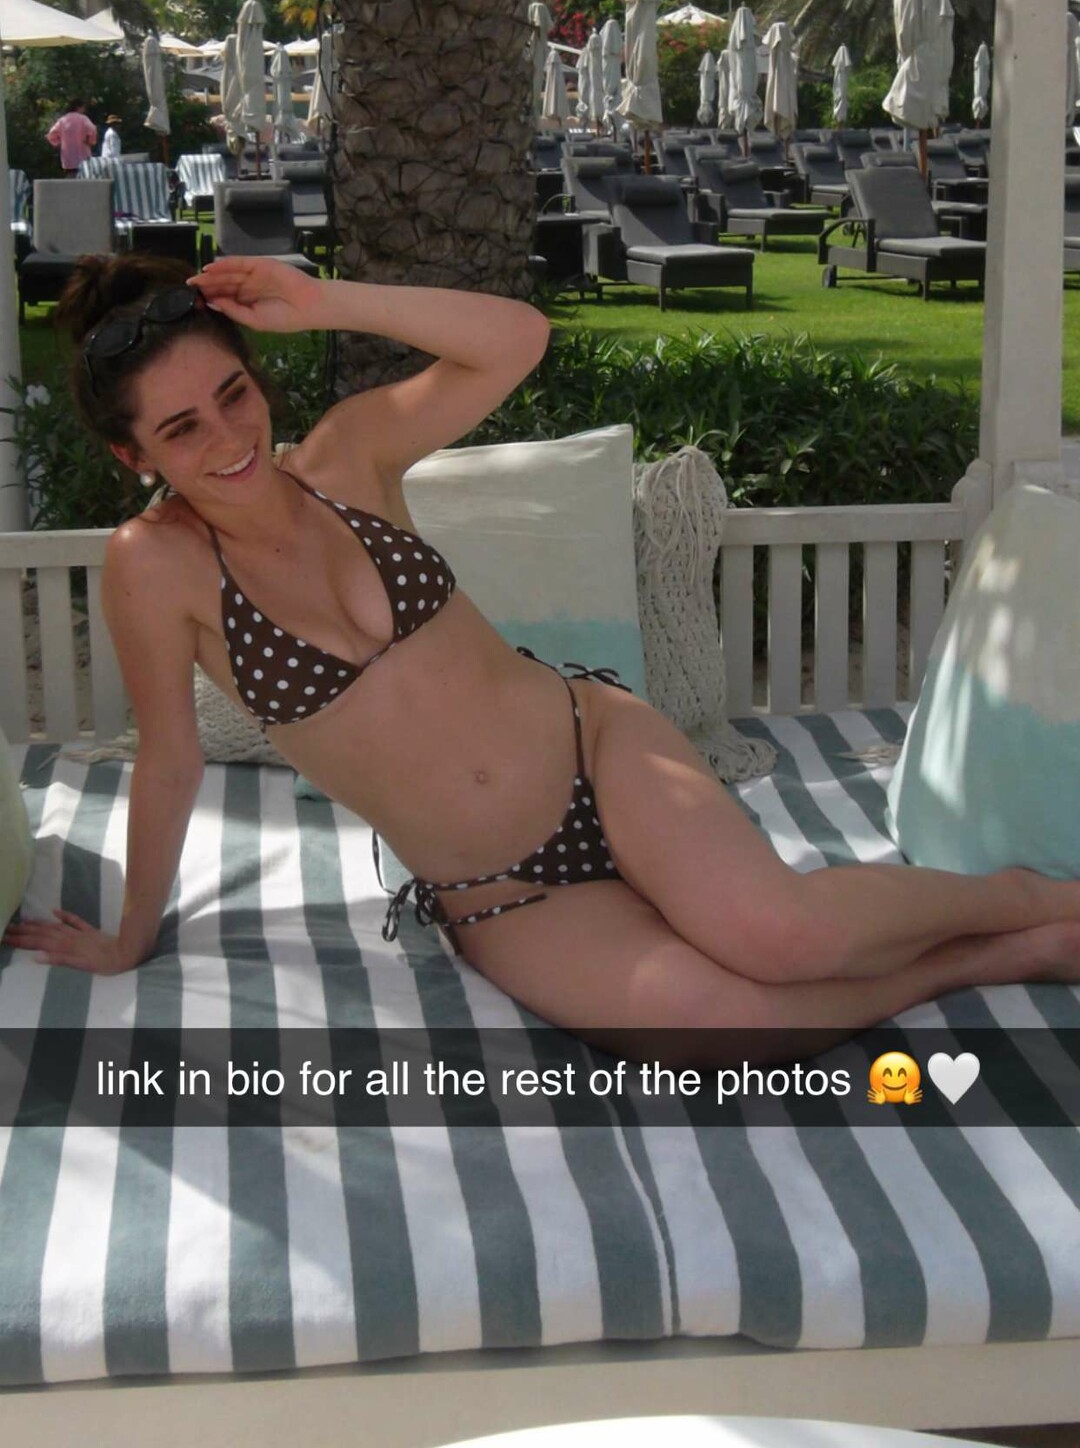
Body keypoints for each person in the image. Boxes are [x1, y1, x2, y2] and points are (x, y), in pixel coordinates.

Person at [5, 252, 1080, 1070]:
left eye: (234, 394)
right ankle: (1008, 955)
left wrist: (324, 299)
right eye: (182, 430)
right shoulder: (155, 565)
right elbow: (170, 758)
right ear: (132, 455)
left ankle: (1020, 897)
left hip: (594, 748)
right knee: (725, 1026)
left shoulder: (346, 455)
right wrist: (131, 937)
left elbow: (516, 338)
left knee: (781, 936)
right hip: (500, 890)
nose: (228, 439)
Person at [46, 100, 98, 176]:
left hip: (68, 159)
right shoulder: (83, 119)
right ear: (78, 107)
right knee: (85, 180)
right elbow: (92, 129)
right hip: (83, 157)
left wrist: (59, 143)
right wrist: (90, 141)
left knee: (70, 179)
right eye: (83, 107)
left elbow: (51, 134)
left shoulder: (62, 120)